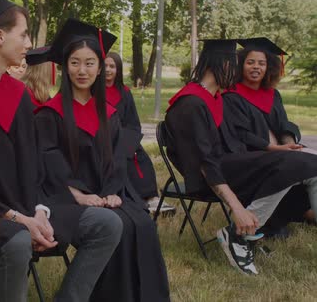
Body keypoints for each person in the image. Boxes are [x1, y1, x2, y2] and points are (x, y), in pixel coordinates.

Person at [0, 0, 122, 302]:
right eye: (24, 34)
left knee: (106, 224)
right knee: (17, 240)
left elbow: (34, 164)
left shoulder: (16, 94)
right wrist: (19, 219)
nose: (29, 44)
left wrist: (39, 211)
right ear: (0, 36)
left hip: (25, 204)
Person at [35, 18, 169, 302]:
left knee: (141, 223)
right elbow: (47, 160)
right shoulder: (51, 112)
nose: (81, 70)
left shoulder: (108, 113)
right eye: (74, 62)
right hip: (62, 196)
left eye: (89, 63)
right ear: (64, 66)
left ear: (100, 68)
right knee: (114, 223)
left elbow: (116, 158)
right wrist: (79, 194)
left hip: (104, 193)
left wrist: (111, 192)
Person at [164, 39, 317, 275]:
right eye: (234, 64)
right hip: (209, 176)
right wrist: (236, 207)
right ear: (219, 64)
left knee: (309, 165)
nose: (238, 72)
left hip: (231, 163)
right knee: (291, 164)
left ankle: (246, 235)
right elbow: (204, 163)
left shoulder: (212, 97)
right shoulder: (191, 103)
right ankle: (238, 236)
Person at [222, 37, 317, 235]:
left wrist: (290, 143)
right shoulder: (231, 96)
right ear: (241, 65)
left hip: (280, 153)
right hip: (251, 158)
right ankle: (295, 214)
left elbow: (284, 124)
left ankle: (305, 212)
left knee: (309, 161)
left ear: (268, 68)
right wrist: (275, 148)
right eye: (250, 62)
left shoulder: (273, 95)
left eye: (261, 63)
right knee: (301, 165)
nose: (256, 67)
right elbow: (240, 134)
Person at [104, 52, 174, 214]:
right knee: (118, 158)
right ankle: (135, 198)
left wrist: (129, 142)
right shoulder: (95, 92)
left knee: (140, 157)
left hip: (123, 138)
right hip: (104, 140)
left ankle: (152, 198)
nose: (108, 70)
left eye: (112, 66)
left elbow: (133, 123)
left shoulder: (124, 92)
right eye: (105, 66)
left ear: (118, 70)